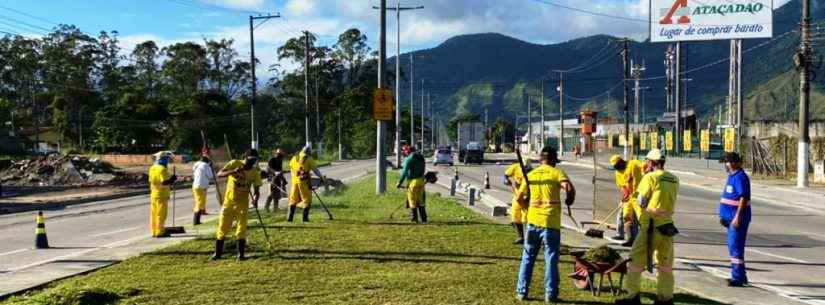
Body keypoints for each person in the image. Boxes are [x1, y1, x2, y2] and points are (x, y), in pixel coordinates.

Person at [617, 149, 680, 305]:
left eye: (647, 162)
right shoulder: (674, 178)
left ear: (652, 162)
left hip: (651, 227)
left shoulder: (650, 177)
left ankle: (632, 298)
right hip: (668, 227)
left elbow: (641, 202)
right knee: (665, 265)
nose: (646, 164)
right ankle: (665, 299)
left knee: (635, 262)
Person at [515, 147, 575, 303]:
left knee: (527, 258)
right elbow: (568, 187)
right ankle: (550, 294)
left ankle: (522, 292)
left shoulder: (531, 175)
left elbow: (519, 197)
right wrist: (570, 198)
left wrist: (526, 207)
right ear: (553, 159)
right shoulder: (557, 173)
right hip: (551, 223)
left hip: (533, 222)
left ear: (540, 159)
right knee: (551, 259)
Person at [211, 149, 262, 261]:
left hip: (243, 204)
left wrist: (256, 199)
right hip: (228, 202)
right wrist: (233, 171)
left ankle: (241, 255)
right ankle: (218, 253)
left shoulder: (254, 172)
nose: (252, 163)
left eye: (254, 161)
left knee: (241, 228)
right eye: (250, 160)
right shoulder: (235, 163)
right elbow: (219, 174)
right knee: (223, 227)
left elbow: (257, 190)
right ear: (245, 158)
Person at [718, 152, 751, 287]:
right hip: (730, 218)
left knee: (735, 247)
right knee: (735, 247)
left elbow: (743, 198)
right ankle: (741, 276)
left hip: (737, 219)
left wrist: (737, 217)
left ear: (732, 163)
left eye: (726, 163)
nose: (725, 166)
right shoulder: (732, 177)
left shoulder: (740, 177)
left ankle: (737, 278)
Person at [609, 154, 645, 246]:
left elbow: (646, 166)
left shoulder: (633, 163)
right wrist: (625, 194)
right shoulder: (618, 173)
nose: (616, 168)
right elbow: (622, 186)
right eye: (614, 167)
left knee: (641, 217)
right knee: (626, 216)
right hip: (630, 196)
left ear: (621, 161)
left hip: (639, 195)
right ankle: (630, 239)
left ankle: (645, 239)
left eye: (617, 165)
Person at [288, 146, 325, 222]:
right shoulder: (308, 158)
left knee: (293, 199)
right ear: (309, 152)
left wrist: (293, 178)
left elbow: (291, 168)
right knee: (307, 199)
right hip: (304, 182)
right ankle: (305, 219)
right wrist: (321, 177)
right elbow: (315, 170)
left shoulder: (295, 157)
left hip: (295, 182)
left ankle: (290, 218)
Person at [148, 151, 177, 238]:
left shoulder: (152, 168)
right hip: (162, 195)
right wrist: (172, 179)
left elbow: (151, 181)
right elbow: (164, 182)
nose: (167, 161)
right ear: (163, 159)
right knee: (161, 214)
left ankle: (154, 231)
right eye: (166, 159)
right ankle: (160, 232)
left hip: (154, 194)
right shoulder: (162, 169)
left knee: (154, 214)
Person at [504, 157, 532, 244]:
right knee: (515, 216)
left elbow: (533, 188)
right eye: (523, 167)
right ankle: (520, 237)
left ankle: (528, 238)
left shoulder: (532, 172)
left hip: (527, 197)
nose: (525, 169)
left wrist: (528, 198)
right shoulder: (515, 167)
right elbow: (505, 175)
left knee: (525, 217)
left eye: (526, 168)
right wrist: (506, 180)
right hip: (517, 196)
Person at [396, 146, 428, 223]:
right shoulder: (421, 158)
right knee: (420, 201)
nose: (404, 153)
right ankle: (424, 219)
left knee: (412, 200)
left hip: (413, 183)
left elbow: (404, 173)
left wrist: (399, 183)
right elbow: (423, 171)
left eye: (405, 151)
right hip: (421, 181)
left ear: (408, 152)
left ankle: (414, 218)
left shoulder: (409, 159)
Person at [191, 155, 214, 225]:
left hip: (195, 186)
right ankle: (196, 220)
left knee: (200, 202)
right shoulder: (205, 166)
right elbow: (211, 176)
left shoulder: (196, 165)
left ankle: (198, 218)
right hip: (201, 186)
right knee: (199, 203)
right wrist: (210, 167)